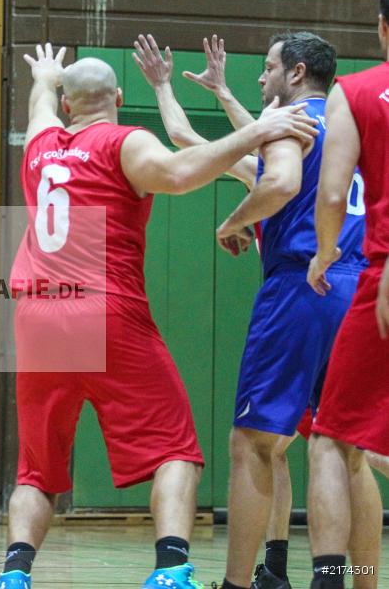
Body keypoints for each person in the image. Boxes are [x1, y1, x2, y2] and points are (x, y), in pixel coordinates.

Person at [0, 42, 318, 589]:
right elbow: (177, 173)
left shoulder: (41, 142)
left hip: (38, 314)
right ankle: (170, 569)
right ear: (118, 98)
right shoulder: (123, 142)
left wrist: (46, 77)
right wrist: (257, 130)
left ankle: (14, 574)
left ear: (69, 105)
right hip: (105, 308)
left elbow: (38, 105)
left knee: (37, 469)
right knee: (175, 450)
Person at [134, 32, 381, 589]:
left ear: (294, 74)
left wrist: (234, 221)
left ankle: (239, 583)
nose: (261, 78)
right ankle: (352, 579)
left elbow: (272, 171)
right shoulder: (349, 128)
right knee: (345, 451)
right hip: (362, 284)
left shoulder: (289, 131)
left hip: (303, 285)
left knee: (253, 442)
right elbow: (215, 136)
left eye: (268, 68)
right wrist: (216, 91)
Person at [306, 0, 389, 587]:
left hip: (381, 277)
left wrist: (326, 252)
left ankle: (335, 577)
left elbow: (333, 194)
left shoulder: (355, 92)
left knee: (334, 440)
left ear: (382, 27)